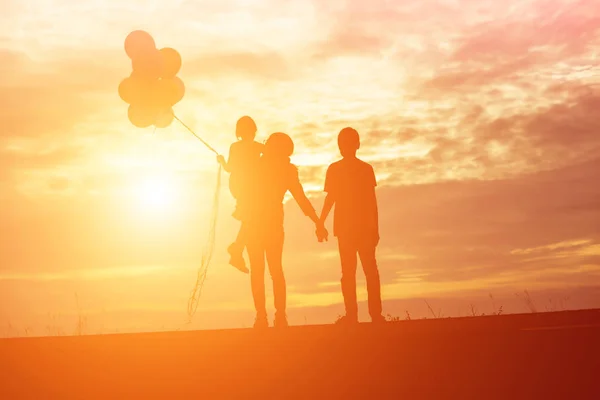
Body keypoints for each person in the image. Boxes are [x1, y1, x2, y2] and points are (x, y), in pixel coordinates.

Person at [244, 132, 328, 328]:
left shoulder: (258, 165)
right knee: (275, 271)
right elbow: (300, 199)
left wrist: (318, 221)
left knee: (259, 271)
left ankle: (263, 317)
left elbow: (299, 198)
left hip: (257, 224)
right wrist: (317, 222)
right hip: (271, 224)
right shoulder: (286, 170)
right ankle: (278, 316)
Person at [319, 127, 385, 324]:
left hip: (358, 228)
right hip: (352, 228)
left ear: (356, 145)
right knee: (359, 272)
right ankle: (361, 315)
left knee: (360, 272)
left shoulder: (363, 169)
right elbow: (332, 198)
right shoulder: (342, 169)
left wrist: (321, 221)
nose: (344, 147)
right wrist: (321, 221)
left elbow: (370, 201)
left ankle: (365, 315)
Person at [217, 116, 264, 274]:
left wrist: (222, 161)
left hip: (240, 185)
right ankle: (236, 249)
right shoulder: (259, 147)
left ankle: (237, 250)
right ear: (253, 129)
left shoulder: (236, 147)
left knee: (249, 219)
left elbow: (229, 168)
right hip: (249, 187)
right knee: (250, 218)